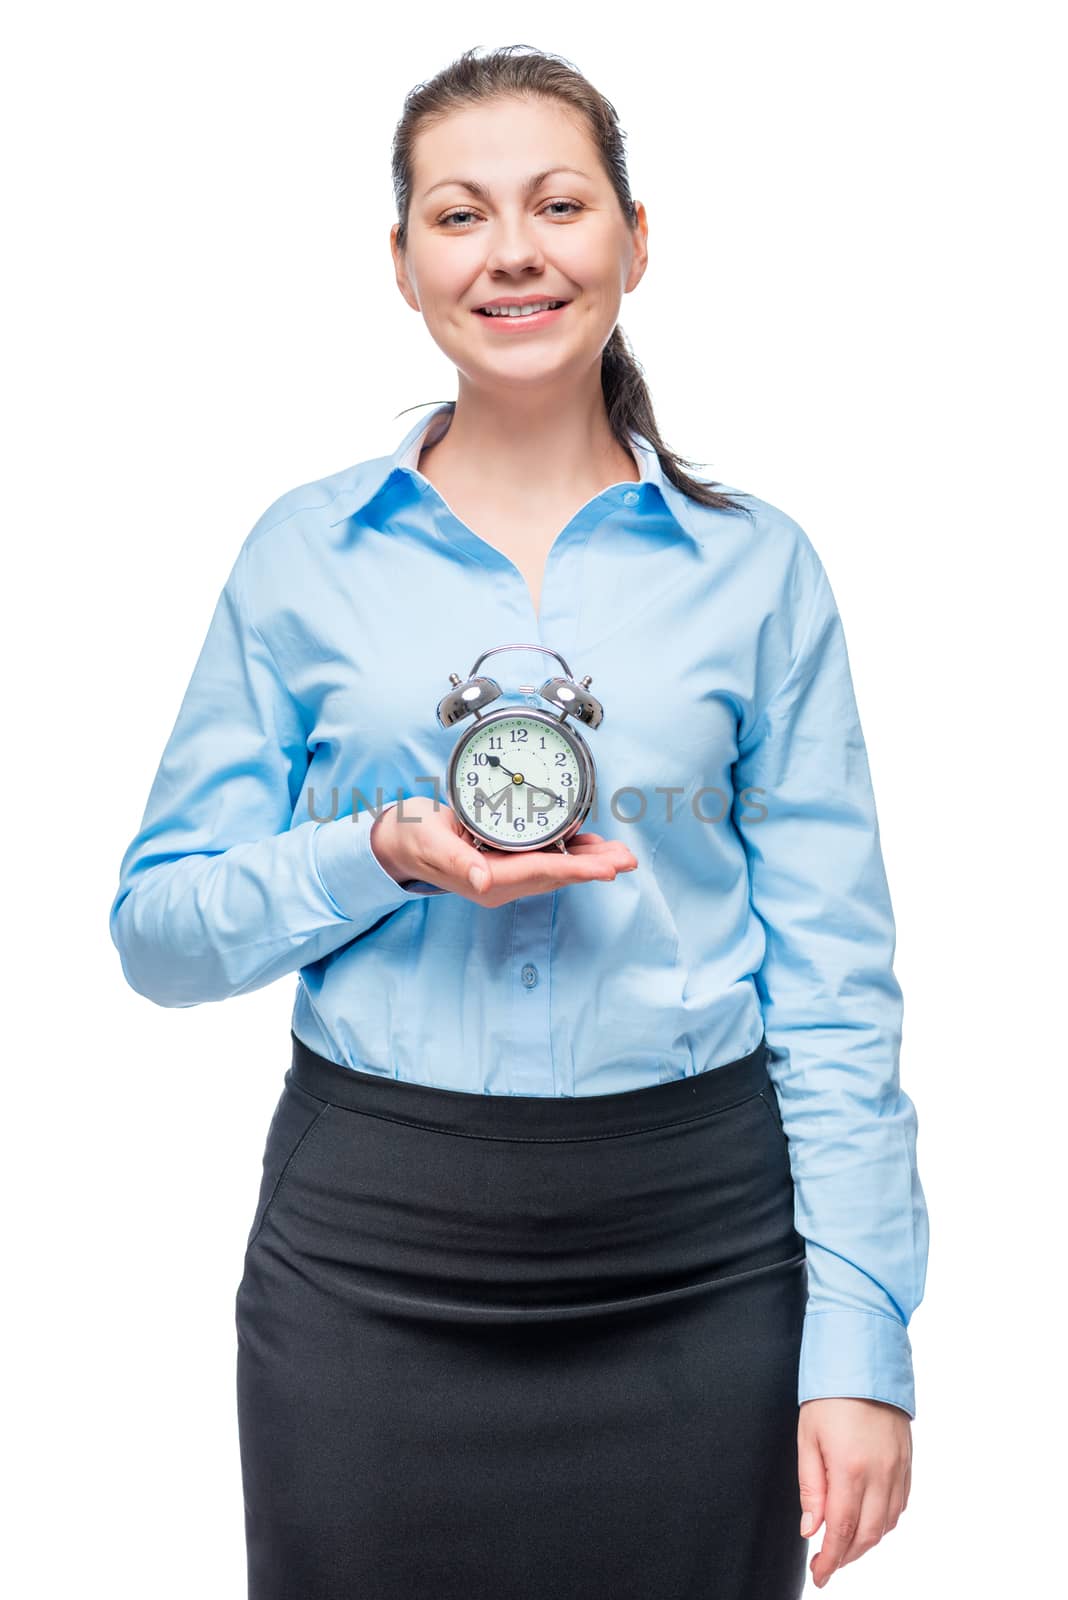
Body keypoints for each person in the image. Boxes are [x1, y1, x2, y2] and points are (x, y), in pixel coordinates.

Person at [108, 43, 929, 1600]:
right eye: (459, 213)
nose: (514, 253)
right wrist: (377, 853)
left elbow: (838, 987)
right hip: (371, 1258)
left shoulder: (758, 572)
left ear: (635, 236)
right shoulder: (303, 557)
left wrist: (863, 1336)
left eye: (558, 204)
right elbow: (158, 932)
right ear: (405, 261)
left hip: (700, 1259)